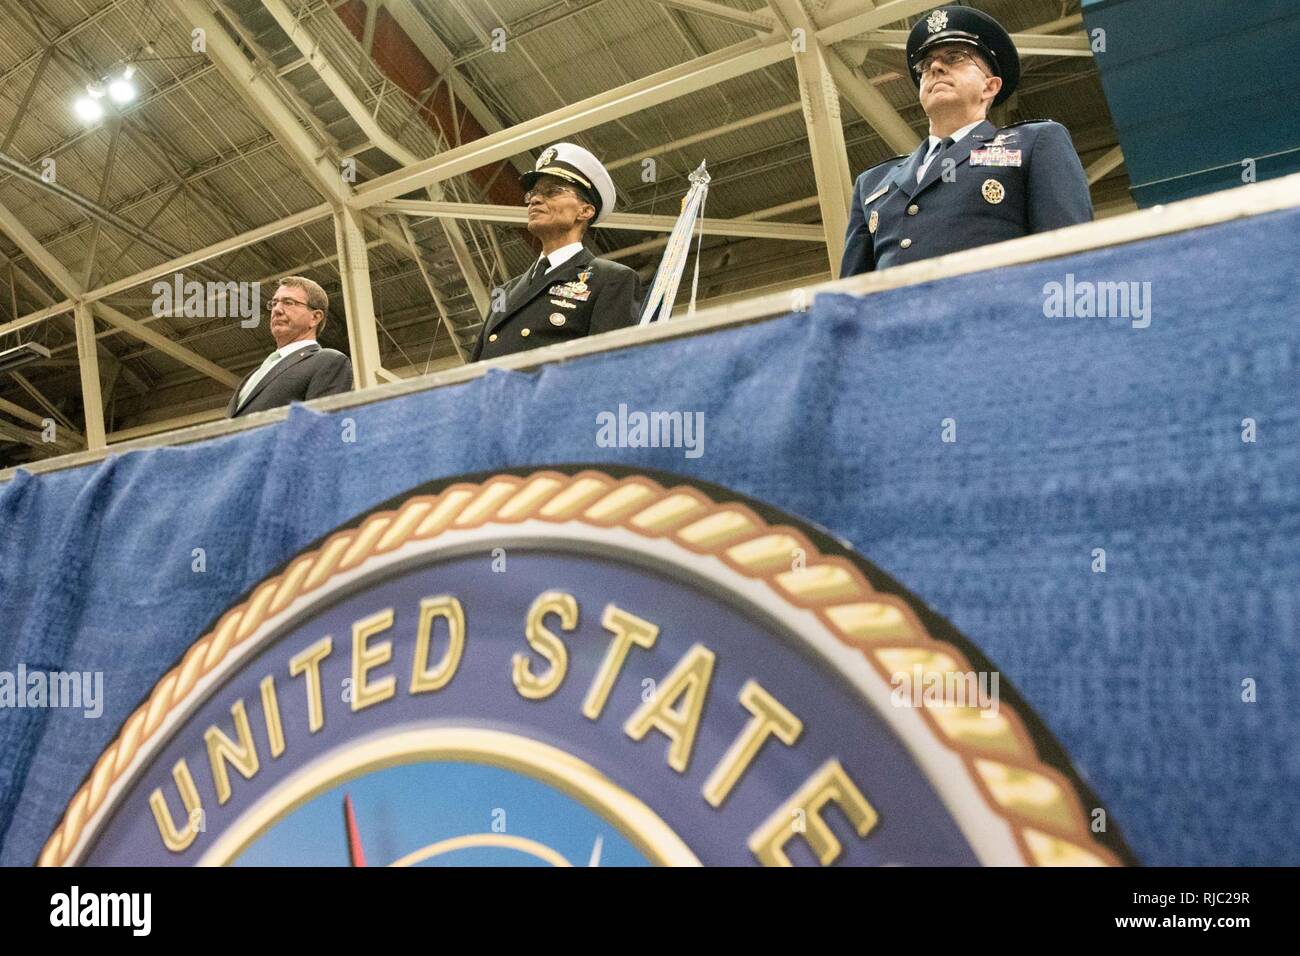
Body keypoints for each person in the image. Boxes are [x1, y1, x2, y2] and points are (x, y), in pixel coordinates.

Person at [841, 5, 1093, 278]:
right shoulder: (872, 183)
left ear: (990, 86)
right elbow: (850, 293)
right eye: (925, 65)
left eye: (955, 57)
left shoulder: (1034, 142)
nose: (935, 67)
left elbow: (1070, 255)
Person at [472, 142, 641, 362]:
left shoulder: (611, 279)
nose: (534, 199)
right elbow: (473, 373)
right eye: (533, 194)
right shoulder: (505, 291)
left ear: (585, 211)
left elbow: (608, 367)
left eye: (552, 191)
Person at [227, 276, 352, 418]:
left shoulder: (328, 361)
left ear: (315, 317)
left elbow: (320, 429)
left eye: (288, 302)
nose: (277, 310)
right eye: (274, 304)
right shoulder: (254, 375)